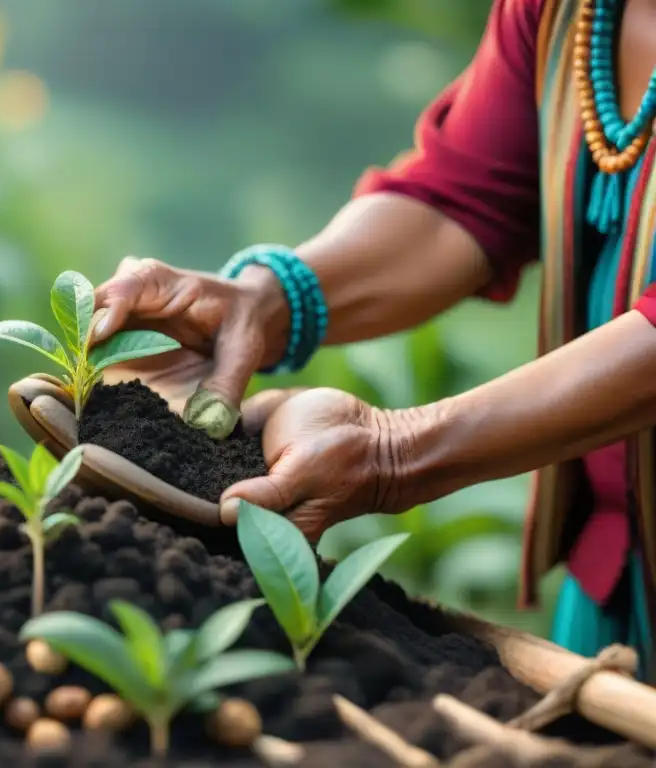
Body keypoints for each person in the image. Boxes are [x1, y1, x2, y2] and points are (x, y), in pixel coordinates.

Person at [89, 0, 656, 682]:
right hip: (614, 572)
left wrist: (395, 449)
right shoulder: (575, 12)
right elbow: (467, 198)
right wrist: (262, 301)